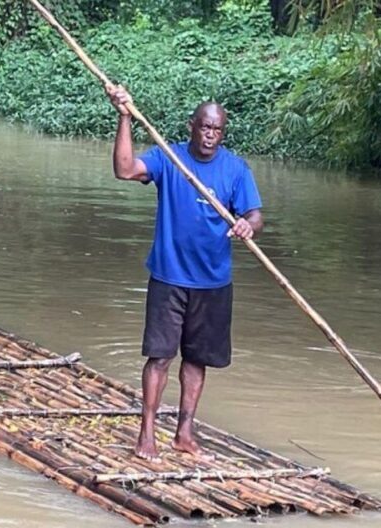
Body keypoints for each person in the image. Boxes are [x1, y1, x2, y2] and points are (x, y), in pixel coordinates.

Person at [106, 85, 264, 463]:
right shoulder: (170, 158)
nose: (210, 135)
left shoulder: (235, 170)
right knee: (160, 357)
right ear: (192, 126)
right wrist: (125, 116)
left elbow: (256, 214)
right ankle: (146, 434)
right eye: (205, 127)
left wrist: (247, 225)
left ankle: (184, 433)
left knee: (197, 361)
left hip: (213, 282)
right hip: (169, 277)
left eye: (217, 130)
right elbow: (124, 169)